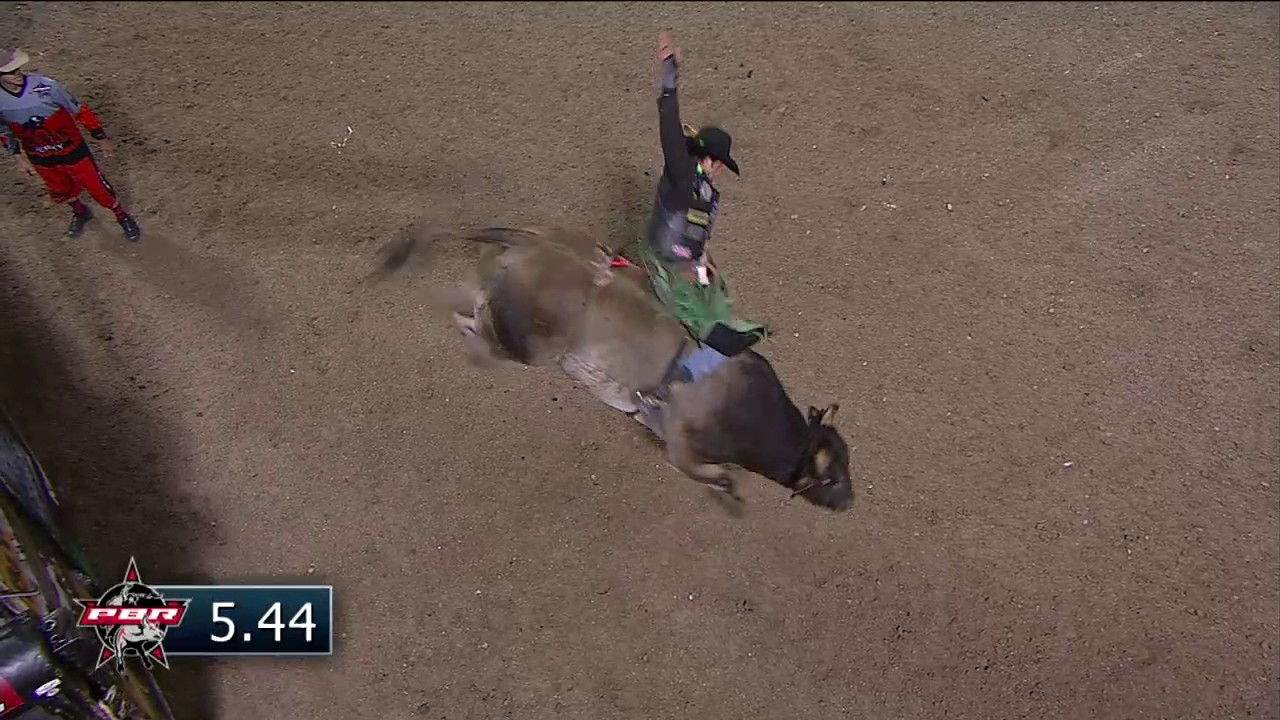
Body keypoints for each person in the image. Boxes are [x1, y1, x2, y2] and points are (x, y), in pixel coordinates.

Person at [633, 32, 767, 410]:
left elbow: (698, 236)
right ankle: (665, 390)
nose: (719, 169)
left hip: (688, 264)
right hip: (667, 264)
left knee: (722, 304)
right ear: (709, 159)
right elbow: (669, 129)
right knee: (721, 332)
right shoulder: (682, 173)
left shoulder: (708, 193)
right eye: (719, 163)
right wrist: (670, 77)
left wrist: (704, 263)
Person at [0, 48, 140, 241]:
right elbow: (4, 131)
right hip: (39, 155)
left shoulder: (46, 87)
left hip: (72, 149)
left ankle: (121, 216)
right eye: (10, 72)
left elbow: (78, 110)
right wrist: (18, 158)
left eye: (17, 70)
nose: (17, 75)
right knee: (60, 188)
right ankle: (80, 211)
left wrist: (99, 135)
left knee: (96, 186)